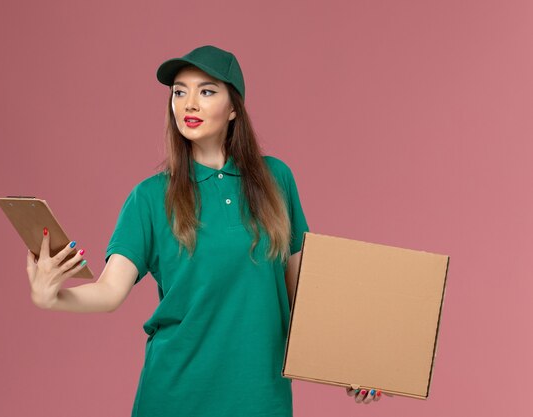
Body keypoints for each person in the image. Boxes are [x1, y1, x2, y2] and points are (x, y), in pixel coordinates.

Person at [26, 45, 391, 416]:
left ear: (234, 107)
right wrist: (51, 297)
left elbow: (306, 296)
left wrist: (354, 364)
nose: (189, 104)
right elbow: (109, 291)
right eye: (179, 92)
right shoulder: (150, 198)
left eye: (206, 91)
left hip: (260, 399)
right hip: (173, 398)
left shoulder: (276, 179)